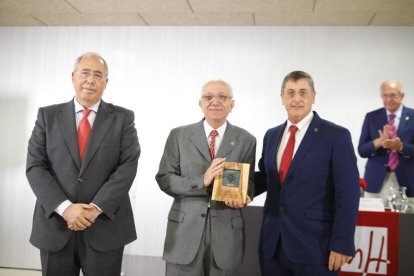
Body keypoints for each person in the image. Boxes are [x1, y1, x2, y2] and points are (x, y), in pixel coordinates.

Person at [26, 52, 140, 276]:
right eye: (85, 73)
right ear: (73, 76)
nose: (90, 80)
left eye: (98, 75)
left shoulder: (123, 118)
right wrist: (66, 208)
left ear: (106, 83)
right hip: (56, 225)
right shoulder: (47, 116)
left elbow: (127, 167)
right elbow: (35, 167)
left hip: (105, 226)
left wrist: (94, 209)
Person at [255, 71, 360, 275]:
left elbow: (348, 194)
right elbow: (267, 178)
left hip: (315, 247)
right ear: (282, 97)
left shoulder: (336, 136)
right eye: (290, 92)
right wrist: (237, 187)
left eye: (303, 92)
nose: (296, 99)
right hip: (273, 245)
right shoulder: (272, 135)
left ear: (314, 96)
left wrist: (342, 243)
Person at [155, 80, 256, 276]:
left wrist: (246, 195)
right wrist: (202, 180)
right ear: (200, 103)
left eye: (222, 97)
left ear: (232, 104)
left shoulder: (247, 140)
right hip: (184, 231)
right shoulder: (178, 135)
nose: (215, 102)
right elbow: (165, 179)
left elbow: (249, 180)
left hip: (227, 230)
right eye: (208, 97)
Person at [358, 80, 414, 202]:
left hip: (407, 180)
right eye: (385, 95)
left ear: (402, 95)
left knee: (407, 220)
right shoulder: (371, 117)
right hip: (376, 180)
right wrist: (378, 142)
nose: (389, 99)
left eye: (393, 95)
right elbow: (362, 150)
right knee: (375, 220)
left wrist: (401, 147)